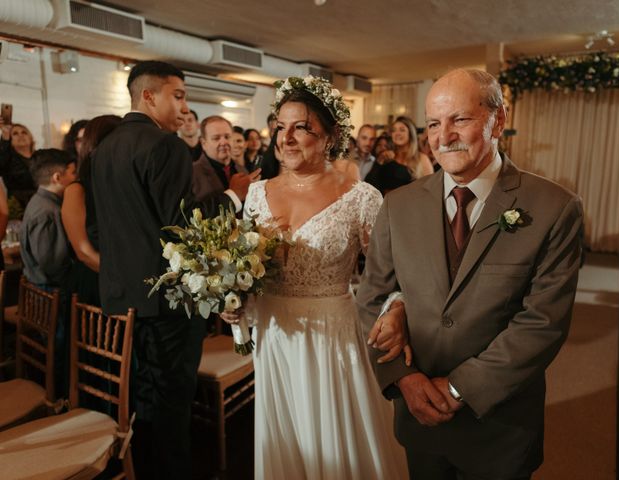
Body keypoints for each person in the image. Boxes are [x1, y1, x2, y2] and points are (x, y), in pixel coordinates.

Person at [357, 68, 584, 480]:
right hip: (418, 415)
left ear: (498, 119)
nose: (443, 137)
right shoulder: (398, 206)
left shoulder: (554, 207)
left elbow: (542, 323)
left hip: (499, 426)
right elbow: (373, 297)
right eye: (432, 124)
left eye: (459, 119)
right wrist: (403, 379)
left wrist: (459, 387)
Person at [223, 76, 409, 479]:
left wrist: (395, 311)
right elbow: (248, 269)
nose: (286, 138)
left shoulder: (361, 197)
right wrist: (236, 303)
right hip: (273, 333)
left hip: (332, 334)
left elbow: (392, 275)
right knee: (289, 438)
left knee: (333, 439)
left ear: (331, 136)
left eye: (301, 127)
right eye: (280, 127)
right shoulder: (256, 195)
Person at [91, 61, 213, 480]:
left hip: (120, 297)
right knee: (172, 401)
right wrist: (227, 199)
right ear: (149, 96)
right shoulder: (165, 146)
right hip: (165, 302)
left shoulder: (105, 145)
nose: (184, 106)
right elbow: (182, 225)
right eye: (177, 95)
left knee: (144, 397)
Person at [20, 148, 77, 398]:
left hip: (43, 290)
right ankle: (60, 400)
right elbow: (52, 265)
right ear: (57, 177)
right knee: (60, 354)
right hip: (51, 293)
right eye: (72, 172)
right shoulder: (47, 211)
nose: (75, 178)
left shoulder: (41, 201)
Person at [61, 115, 121, 305]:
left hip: (125, 281)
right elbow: (84, 252)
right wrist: (123, 278)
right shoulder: (77, 190)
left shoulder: (122, 185)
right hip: (96, 284)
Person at [193, 116, 260, 209]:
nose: (224, 142)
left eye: (227, 137)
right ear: (204, 143)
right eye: (216, 138)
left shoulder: (242, 169)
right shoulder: (192, 173)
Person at [367, 116, 433, 195]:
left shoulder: (421, 159)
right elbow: (368, 186)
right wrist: (379, 162)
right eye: (394, 130)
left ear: (410, 134)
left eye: (402, 130)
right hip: (387, 205)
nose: (397, 133)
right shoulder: (386, 157)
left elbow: (431, 190)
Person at [0, 121, 37, 208]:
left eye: (24, 132)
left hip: (45, 206)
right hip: (19, 209)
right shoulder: (7, 160)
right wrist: (5, 137)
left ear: (30, 138)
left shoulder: (41, 157)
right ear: (10, 140)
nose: (21, 135)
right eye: (15, 133)